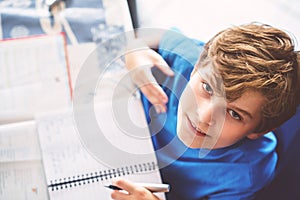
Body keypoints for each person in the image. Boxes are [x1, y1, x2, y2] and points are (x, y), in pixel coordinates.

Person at [110, 23, 300, 200]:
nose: (203, 116)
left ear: (258, 131)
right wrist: (134, 49)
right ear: (195, 69)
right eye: (208, 88)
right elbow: (155, 36)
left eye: (234, 114)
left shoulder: (248, 173)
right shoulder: (190, 58)